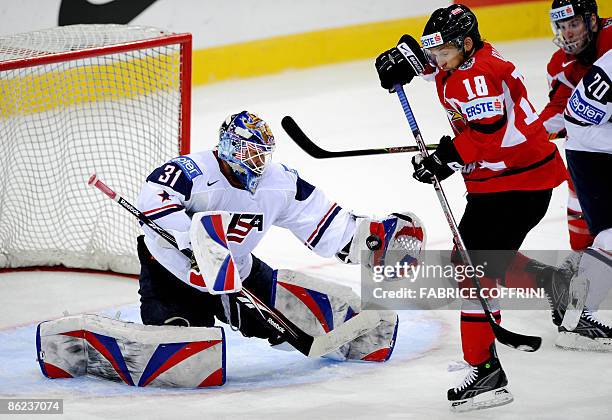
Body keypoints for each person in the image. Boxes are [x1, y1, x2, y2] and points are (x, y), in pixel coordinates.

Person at [375, 4, 571, 412]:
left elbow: (487, 135)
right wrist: (405, 55)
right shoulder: (467, 59)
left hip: (517, 183)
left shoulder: (477, 75)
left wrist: (444, 157)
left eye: (440, 52)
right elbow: (440, 68)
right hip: (501, 180)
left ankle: (485, 371)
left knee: (474, 272)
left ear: (465, 44)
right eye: (433, 53)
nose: (435, 61)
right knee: (467, 262)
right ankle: (555, 285)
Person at [135, 110, 423, 362]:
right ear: (229, 147)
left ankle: (346, 328)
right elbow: (152, 200)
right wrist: (193, 244)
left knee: (284, 318)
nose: (257, 162)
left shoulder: (278, 183)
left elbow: (319, 218)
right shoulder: (192, 171)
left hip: (237, 270)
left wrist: (368, 242)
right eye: (250, 152)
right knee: (188, 359)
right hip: (170, 272)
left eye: (262, 154)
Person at [540, 0, 611, 251]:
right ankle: (583, 257)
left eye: (574, 23)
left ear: (592, 21)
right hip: (597, 144)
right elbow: (560, 106)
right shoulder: (560, 64)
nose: (567, 32)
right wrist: (533, 135)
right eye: (562, 25)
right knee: (578, 185)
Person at [560, 49, 612, 351]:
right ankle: (578, 321)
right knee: (609, 235)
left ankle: (577, 319)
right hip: (593, 148)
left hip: (592, 141)